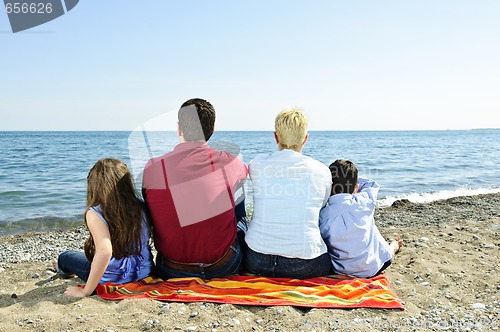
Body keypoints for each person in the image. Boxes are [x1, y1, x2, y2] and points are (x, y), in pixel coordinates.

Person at [142, 98, 248, 279]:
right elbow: (245, 175)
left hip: (172, 268)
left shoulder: (152, 167)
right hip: (223, 266)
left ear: (179, 128)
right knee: (236, 189)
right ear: (212, 130)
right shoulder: (230, 161)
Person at [244, 107, 332, 279]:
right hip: (305, 265)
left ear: (276, 136)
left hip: (256, 261)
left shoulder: (257, 164)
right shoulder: (321, 170)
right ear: (305, 139)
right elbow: (321, 206)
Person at [56, 158, 154, 297]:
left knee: (65, 257)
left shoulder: (95, 212)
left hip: (112, 278)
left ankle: (60, 268)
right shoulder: (141, 207)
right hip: (144, 273)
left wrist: (86, 291)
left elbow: (105, 251)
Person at [319, 159, 403, 278]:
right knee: (382, 247)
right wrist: (351, 179)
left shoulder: (323, 216)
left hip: (342, 271)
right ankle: (394, 246)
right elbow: (371, 184)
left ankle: (394, 246)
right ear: (356, 188)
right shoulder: (364, 202)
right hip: (374, 267)